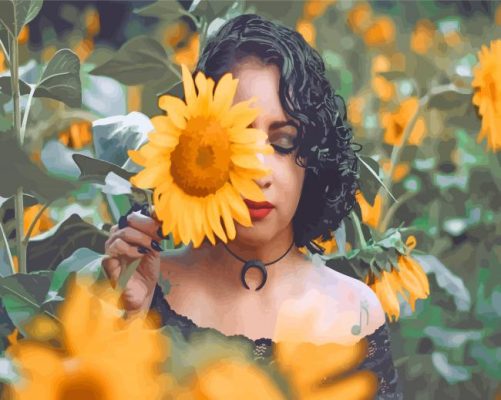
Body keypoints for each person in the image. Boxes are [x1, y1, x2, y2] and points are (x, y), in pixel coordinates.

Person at [102, 14, 403, 399]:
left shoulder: (353, 313)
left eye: (283, 143)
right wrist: (127, 321)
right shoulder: (150, 287)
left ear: (313, 156)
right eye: (236, 142)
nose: (257, 172)